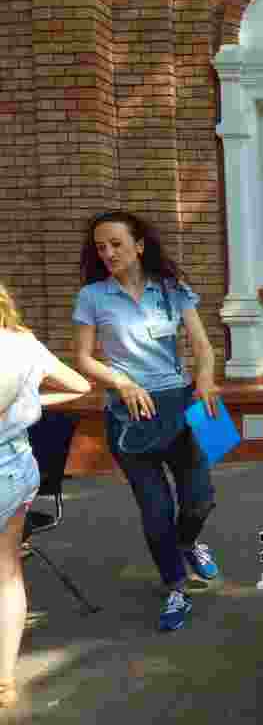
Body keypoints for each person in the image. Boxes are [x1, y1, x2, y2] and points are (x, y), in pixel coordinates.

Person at [73, 211, 222, 633]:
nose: (108, 253)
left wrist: (206, 378)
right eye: (101, 247)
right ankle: (175, 585)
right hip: (130, 414)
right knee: (156, 510)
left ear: (139, 245)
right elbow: (83, 359)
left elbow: (203, 346)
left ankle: (189, 543)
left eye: (116, 244)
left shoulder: (173, 290)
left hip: (180, 402)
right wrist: (121, 382)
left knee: (201, 499)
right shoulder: (93, 297)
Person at [0, 284, 91, 706]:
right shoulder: (24, 343)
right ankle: (4, 679)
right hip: (16, 468)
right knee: (8, 573)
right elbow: (80, 385)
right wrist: (33, 398)